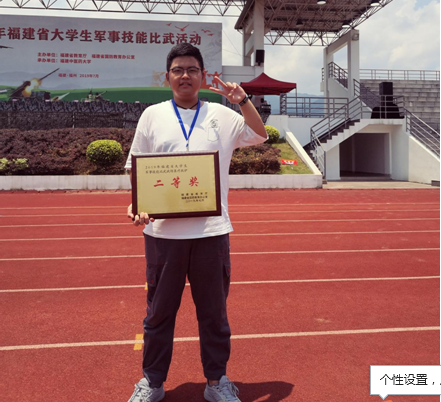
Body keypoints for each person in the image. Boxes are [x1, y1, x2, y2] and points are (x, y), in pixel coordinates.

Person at [125, 43, 267, 402]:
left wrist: (242, 100)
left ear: (203, 76)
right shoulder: (152, 116)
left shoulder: (223, 115)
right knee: (158, 314)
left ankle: (216, 382)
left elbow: (259, 134)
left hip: (211, 233)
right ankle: (152, 383)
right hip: (163, 236)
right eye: (178, 70)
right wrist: (137, 204)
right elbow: (136, 167)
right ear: (168, 77)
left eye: (192, 69)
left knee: (213, 314)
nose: (185, 75)